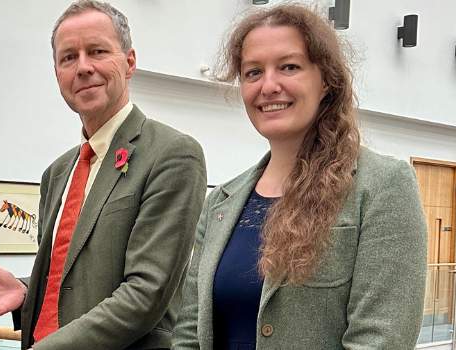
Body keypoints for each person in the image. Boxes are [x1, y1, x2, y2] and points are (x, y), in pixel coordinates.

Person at [172, 4, 427, 350]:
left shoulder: (382, 187)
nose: (269, 86)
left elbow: (380, 340)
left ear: (326, 81)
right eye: (253, 72)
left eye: (289, 67)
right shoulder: (220, 202)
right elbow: (190, 331)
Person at [0, 1, 207, 349]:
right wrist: (25, 289)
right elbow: (74, 279)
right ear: (57, 74)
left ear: (129, 62)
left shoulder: (172, 154)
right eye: (68, 57)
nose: (83, 67)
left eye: (97, 51)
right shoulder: (57, 173)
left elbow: (145, 294)